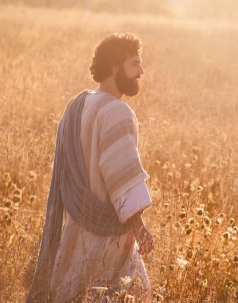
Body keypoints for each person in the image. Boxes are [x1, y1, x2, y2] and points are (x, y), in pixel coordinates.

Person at [27, 32, 155, 303]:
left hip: (75, 230)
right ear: (115, 67)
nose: (141, 71)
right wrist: (139, 227)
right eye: (135, 64)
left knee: (72, 294)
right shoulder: (117, 111)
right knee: (129, 295)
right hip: (110, 237)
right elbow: (122, 178)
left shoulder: (78, 105)